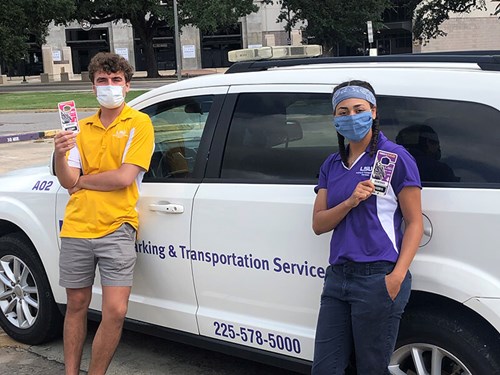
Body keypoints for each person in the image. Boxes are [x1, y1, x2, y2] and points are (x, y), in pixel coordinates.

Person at [311, 80, 423, 374]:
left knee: (371, 369)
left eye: (359, 109)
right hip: (337, 278)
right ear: (335, 119)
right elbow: (319, 224)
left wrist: (396, 277)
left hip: (377, 277)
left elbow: (414, 222)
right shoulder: (332, 164)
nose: (351, 117)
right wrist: (349, 202)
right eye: (343, 112)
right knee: (326, 369)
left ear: (373, 111)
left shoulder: (392, 157)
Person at [53, 52, 154, 375]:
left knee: (115, 310)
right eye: (102, 81)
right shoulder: (80, 129)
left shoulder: (139, 123)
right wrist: (60, 154)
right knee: (77, 305)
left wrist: (82, 180)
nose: (109, 86)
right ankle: (70, 372)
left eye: (115, 81)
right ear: (93, 86)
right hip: (77, 227)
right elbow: (66, 180)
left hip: (118, 226)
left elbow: (124, 177)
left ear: (127, 86)